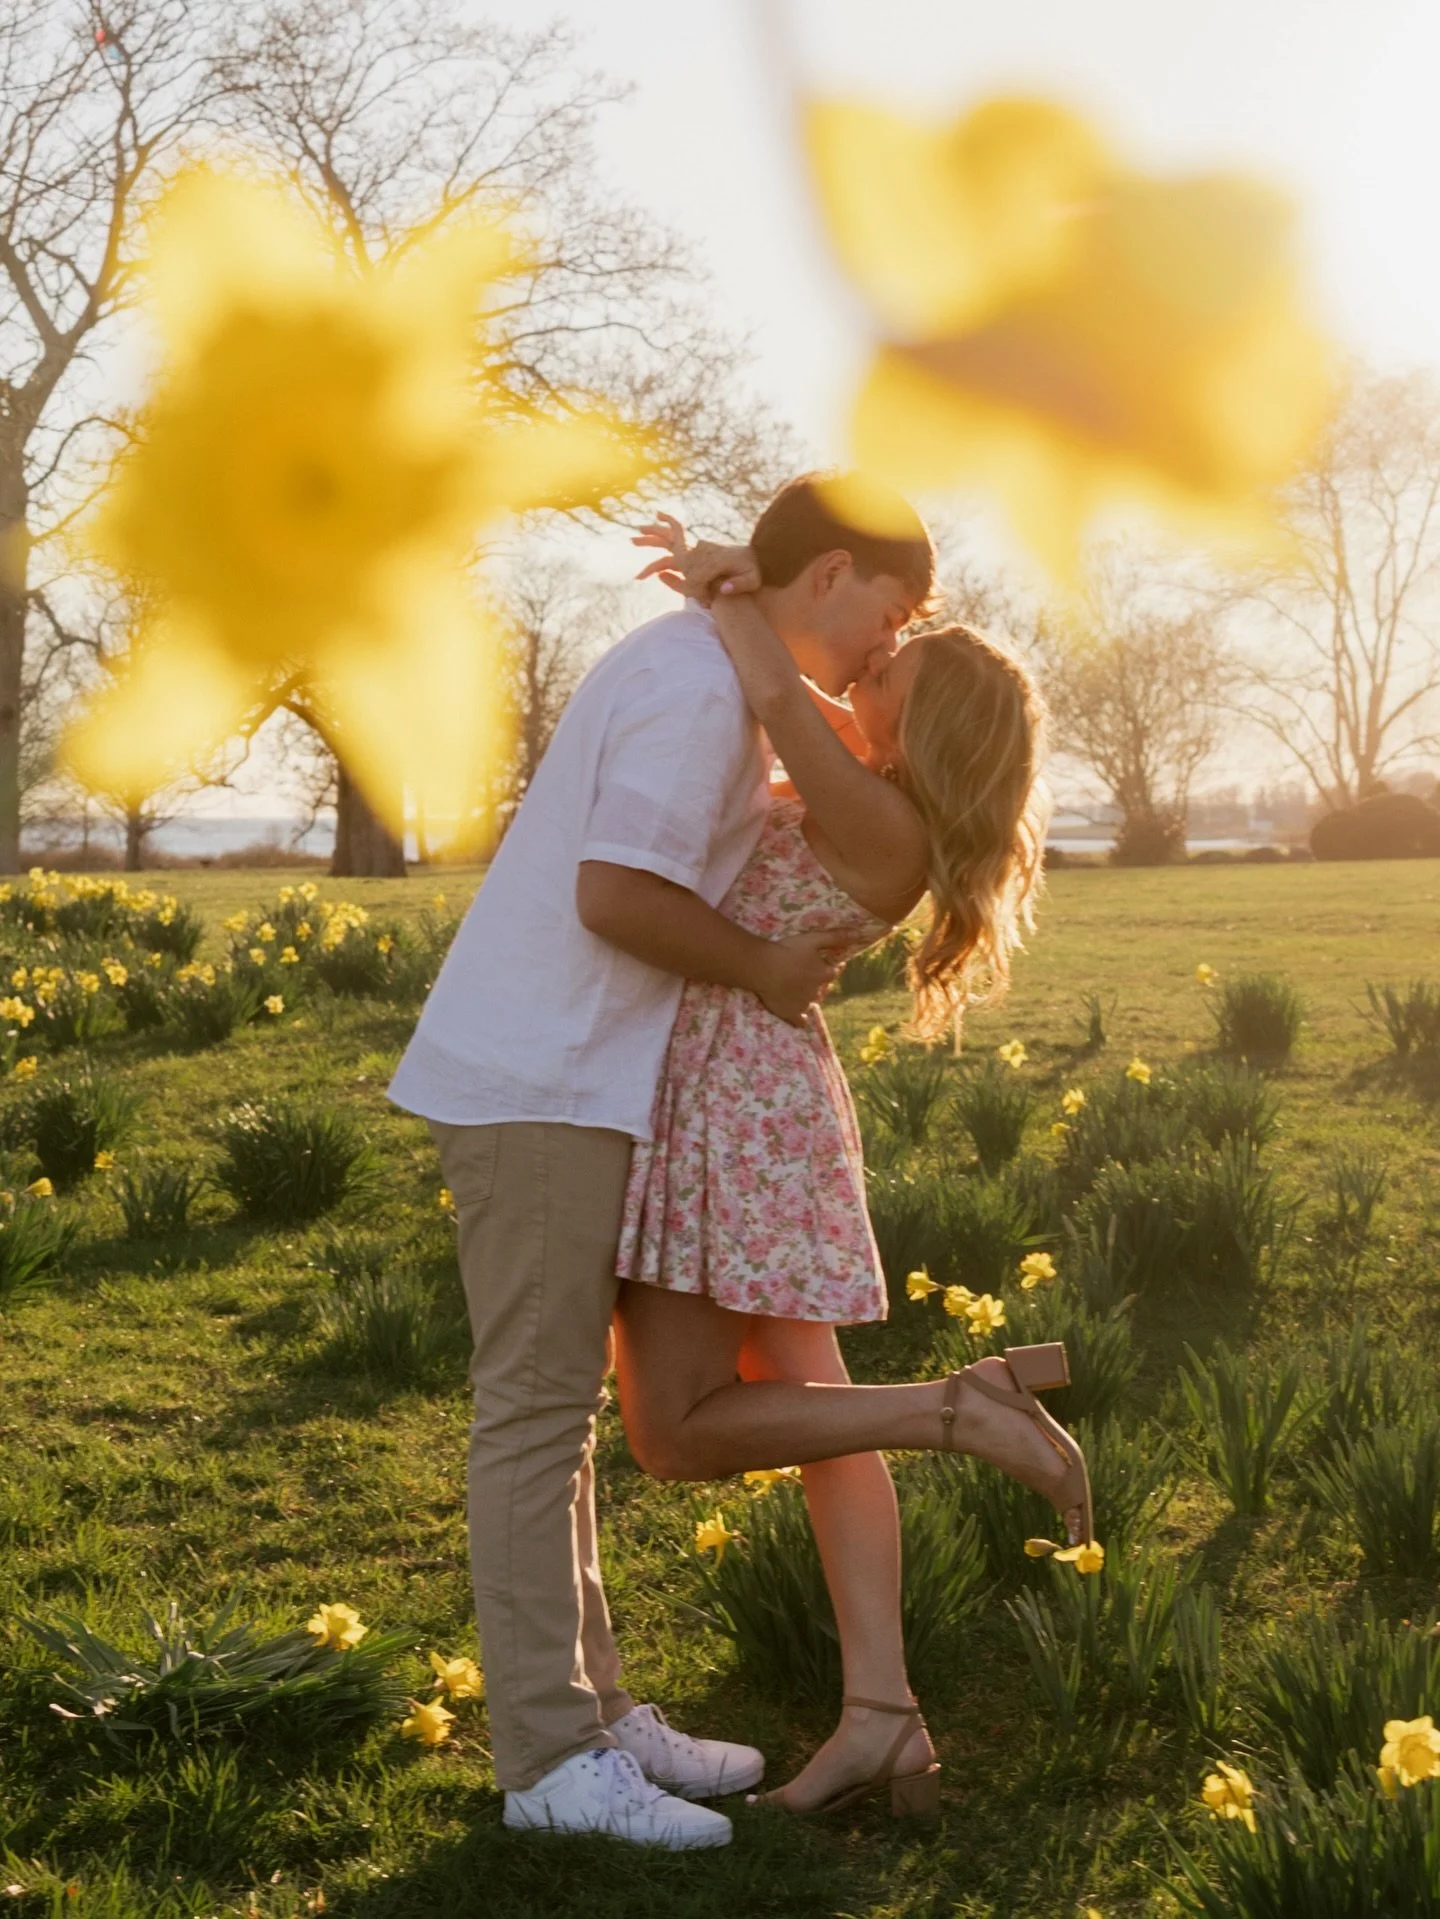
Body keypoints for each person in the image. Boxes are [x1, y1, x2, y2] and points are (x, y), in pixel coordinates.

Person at [388, 472, 936, 1848]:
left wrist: (723, 577)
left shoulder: (720, 670)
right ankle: (549, 1764)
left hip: (576, 1075)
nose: (898, 630)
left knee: (558, 1415)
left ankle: (595, 1711)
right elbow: (612, 890)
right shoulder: (700, 693)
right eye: (894, 599)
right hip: (543, 1074)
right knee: (532, 1413)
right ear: (829, 578)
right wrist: (757, 964)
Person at [609, 519, 1092, 1819]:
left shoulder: (874, 815)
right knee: (804, 1416)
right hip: (751, 1099)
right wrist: (752, 580)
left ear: (919, 724)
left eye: (897, 664)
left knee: (671, 1428)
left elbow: (777, 683)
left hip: (730, 1110)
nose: (871, 659)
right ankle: (886, 1717)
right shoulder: (878, 798)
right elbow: (803, 686)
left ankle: (952, 1407)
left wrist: (735, 586)